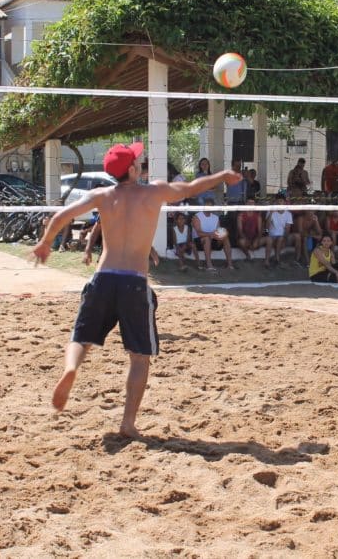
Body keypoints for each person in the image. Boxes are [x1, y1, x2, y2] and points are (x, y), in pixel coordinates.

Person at [32, 142, 241, 437]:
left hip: (103, 277)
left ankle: (71, 369)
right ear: (131, 170)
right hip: (134, 282)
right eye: (138, 161)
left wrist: (45, 243)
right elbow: (192, 187)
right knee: (140, 357)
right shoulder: (153, 192)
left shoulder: (102, 195)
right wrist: (222, 176)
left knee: (81, 337)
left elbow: (60, 217)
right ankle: (128, 423)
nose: (142, 163)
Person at [192, 199, 236, 271]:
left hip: (213, 240)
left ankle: (230, 264)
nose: (209, 208)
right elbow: (198, 233)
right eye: (207, 206)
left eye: (211, 206)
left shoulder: (216, 217)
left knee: (225, 238)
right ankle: (209, 265)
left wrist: (222, 234)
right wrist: (210, 235)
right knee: (206, 238)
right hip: (199, 241)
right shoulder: (197, 216)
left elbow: (218, 231)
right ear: (204, 206)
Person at [264, 195, 296, 268]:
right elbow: (267, 227)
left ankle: (277, 258)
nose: (279, 203)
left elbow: (287, 229)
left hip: (282, 236)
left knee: (281, 238)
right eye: (277, 201)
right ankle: (267, 261)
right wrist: (271, 213)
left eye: (281, 201)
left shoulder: (288, 214)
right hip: (272, 235)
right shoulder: (270, 211)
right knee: (269, 240)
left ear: (284, 203)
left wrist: (285, 238)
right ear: (275, 202)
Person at [235, 199, 266, 263]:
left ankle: (267, 261)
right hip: (244, 238)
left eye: (252, 203)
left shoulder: (258, 216)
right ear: (246, 204)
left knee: (269, 240)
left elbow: (260, 231)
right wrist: (246, 239)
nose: (250, 204)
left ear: (254, 205)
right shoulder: (240, 215)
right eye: (249, 202)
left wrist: (257, 239)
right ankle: (248, 256)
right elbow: (240, 230)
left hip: (254, 238)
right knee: (241, 242)